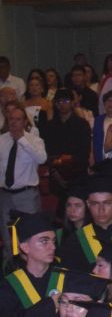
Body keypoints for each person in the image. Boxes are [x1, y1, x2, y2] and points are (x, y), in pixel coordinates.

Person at [0, 106, 46, 258]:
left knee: (28, 236)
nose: (13, 122)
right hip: (5, 195)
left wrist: (22, 140)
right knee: (8, 238)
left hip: (26, 195)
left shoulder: (34, 140)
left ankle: (30, 270)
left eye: (18, 119)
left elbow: (42, 159)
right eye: (11, 119)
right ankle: (12, 271)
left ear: (25, 121)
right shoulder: (1, 140)